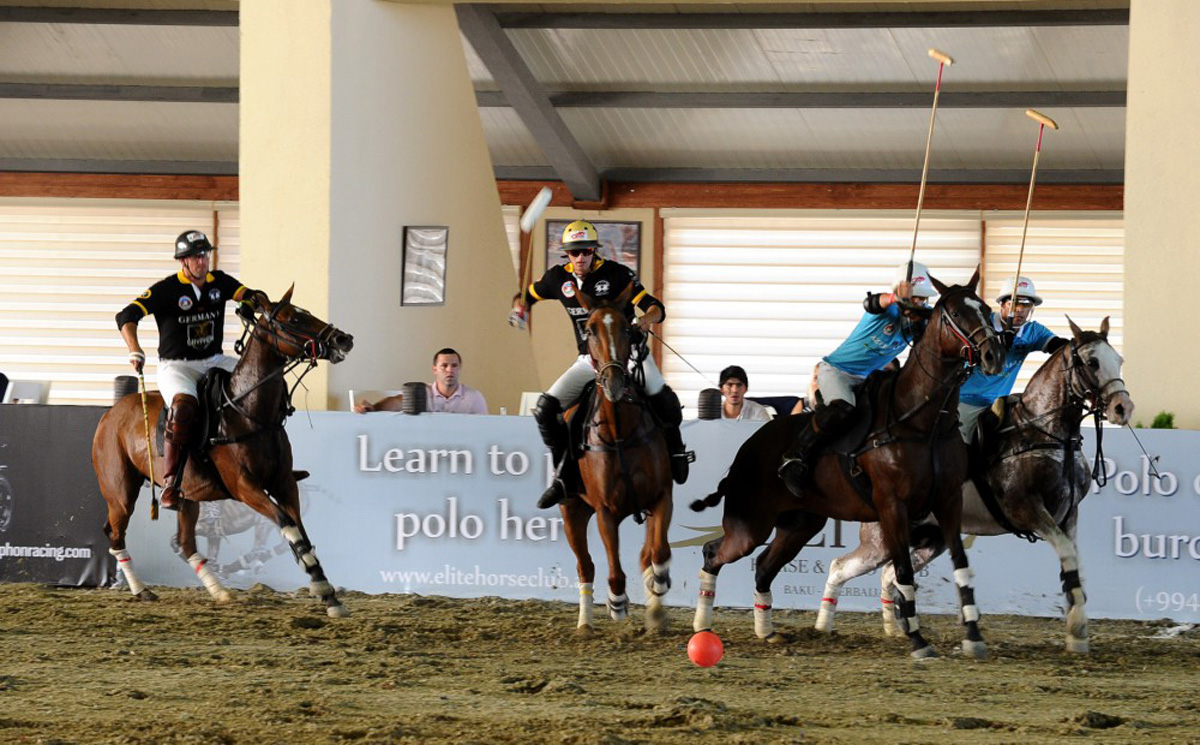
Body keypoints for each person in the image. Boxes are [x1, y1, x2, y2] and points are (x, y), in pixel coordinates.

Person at [511, 219, 692, 509]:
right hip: (589, 360)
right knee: (545, 409)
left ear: (594, 251)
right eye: (575, 252)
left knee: (665, 399)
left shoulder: (617, 274)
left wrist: (646, 320)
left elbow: (656, 307)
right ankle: (564, 476)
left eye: (586, 251)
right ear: (567, 254)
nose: (581, 257)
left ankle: (676, 451)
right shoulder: (558, 278)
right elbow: (528, 296)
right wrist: (519, 307)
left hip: (629, 355)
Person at [116, 230, 263, 509]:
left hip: (214, 359)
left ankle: (267, 460)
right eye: (196, 257)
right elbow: (126, 316)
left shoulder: (219, 281)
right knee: (183, 408)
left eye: (204, 255)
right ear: (183, 261)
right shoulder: (166, 289)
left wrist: (254, 303)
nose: (202, 261)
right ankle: (170, 482)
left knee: (258, 383)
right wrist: (134, 348)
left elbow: (249, 295)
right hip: (178, 365)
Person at [778, 261, 935, 493]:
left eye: (923, 299)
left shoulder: (916, 324)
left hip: (867, 379)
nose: (920, 303)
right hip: (837, 371)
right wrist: (896, 298)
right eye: (916, 298)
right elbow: (872, 303)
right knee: (843, 408)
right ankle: (794, 456)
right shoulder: (887, 310)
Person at [958, 276, 1067, 440]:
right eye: (1014, 303)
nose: (1020, 309)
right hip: (966, 401)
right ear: (1002, 304)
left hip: (998, 404)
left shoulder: (1033, 331)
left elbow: (1058, 346)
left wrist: (1082, 344)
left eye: (1026, 305)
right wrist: (997, 341)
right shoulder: (982, 324)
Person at [353, 348, 489, 414]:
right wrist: (372, 408)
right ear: (434, 369)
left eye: (454, 366)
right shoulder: (420, 392)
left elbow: (484, 429)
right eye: (444, 366)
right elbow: (396, 402)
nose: (449, 370)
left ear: (460, 368)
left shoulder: (474, 397)